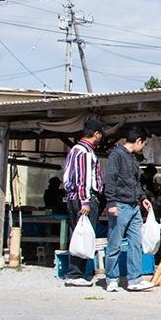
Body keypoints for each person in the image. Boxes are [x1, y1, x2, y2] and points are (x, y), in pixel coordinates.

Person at [103, 124, 154, 293]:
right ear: (138, 141)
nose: (143, 147)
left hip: (133, 207)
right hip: (120, 205)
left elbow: (135, 182)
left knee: (135, 242)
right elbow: (109, 180)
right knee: (114, 243)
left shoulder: (133, 158)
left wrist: (142, 198)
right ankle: (111, 278)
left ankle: (135, 279)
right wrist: (111, 203)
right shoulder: (116, 155)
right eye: (144, 144)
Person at [60, 120, 104, 286]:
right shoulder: (86, 152)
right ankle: (75, 274)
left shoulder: (74, 150)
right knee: (84, 234)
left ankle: (75, 272)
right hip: (83, 199)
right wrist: (85, 201)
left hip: (72, 198)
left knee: (77, 233)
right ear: (96, 134)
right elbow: (84, 179)